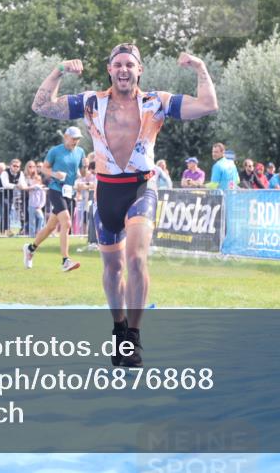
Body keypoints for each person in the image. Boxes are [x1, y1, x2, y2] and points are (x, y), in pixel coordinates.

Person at [31, 43, 218, 367]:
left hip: (140, 188)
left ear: (139, 70)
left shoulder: (155, 102)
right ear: (110, 70)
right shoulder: (92, 101)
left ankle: (133, 336)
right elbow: (42, 105)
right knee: (113, 268)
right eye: (117, 64)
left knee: (135, 258)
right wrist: (59, 70)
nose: (123, 70)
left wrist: (200, 69)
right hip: (107, 192)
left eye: (129, 65)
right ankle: (119, 330)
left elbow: (207, 105)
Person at [22, 127, 86, 271]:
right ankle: (65, 260)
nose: (76, 141)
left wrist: (85, 167)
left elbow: (82, 173)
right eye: (73, 138)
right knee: (67, 223)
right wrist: (55, 174)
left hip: (68, 192)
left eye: (78, 139)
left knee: (51, 226)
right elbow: (44, 169)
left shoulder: (80, 152)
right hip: (56, 190)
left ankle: (30, 249)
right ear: (66, 137)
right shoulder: (55, 151)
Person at [0, 158, 26, 235]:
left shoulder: (20, 173)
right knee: (5, 210)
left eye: (18, 166)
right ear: (10, 166)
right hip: (3, 193)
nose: (16, 168)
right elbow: (5, 184)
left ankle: (6, 230)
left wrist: (22, 186)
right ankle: (4, 230)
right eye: (14, 166)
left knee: (8, 210)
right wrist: (17, 185)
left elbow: (23, 183)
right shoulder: (5, 173)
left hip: (11, 194)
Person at [22, 160, 46, 236]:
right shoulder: (24, 176)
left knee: (41, 218)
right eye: (30, 166)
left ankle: (39, 232)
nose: (32, 168)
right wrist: (34, 186)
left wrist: (41, 206)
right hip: (30, 204)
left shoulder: (39, 182)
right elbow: (26, 187)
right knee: (31, 220)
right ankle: (31, 234)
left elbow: (43, 198)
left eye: (33, 166)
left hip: (38, 205)